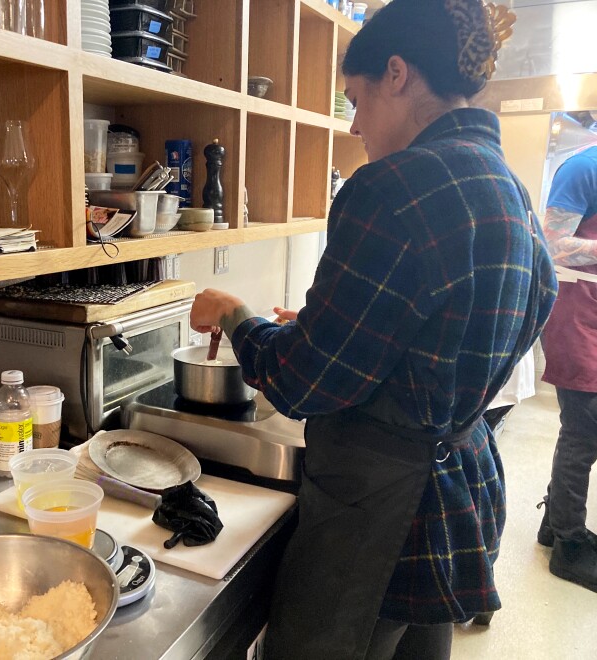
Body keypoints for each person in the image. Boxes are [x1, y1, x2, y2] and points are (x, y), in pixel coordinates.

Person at [189, 1, 557, 658]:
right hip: (456, 494)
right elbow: (495, 316)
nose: (354, 125)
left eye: (355, 99)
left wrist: (231, 312)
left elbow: (300, 383)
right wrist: (339, 330)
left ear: (396, 73)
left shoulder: (392, 186)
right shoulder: (507, 186)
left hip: (375, 516)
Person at [537, 110, 597, 592]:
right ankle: (568, 544)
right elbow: (553, 245)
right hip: (577, 315)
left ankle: (552, 523)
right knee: (584, 431)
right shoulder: (583, 168)